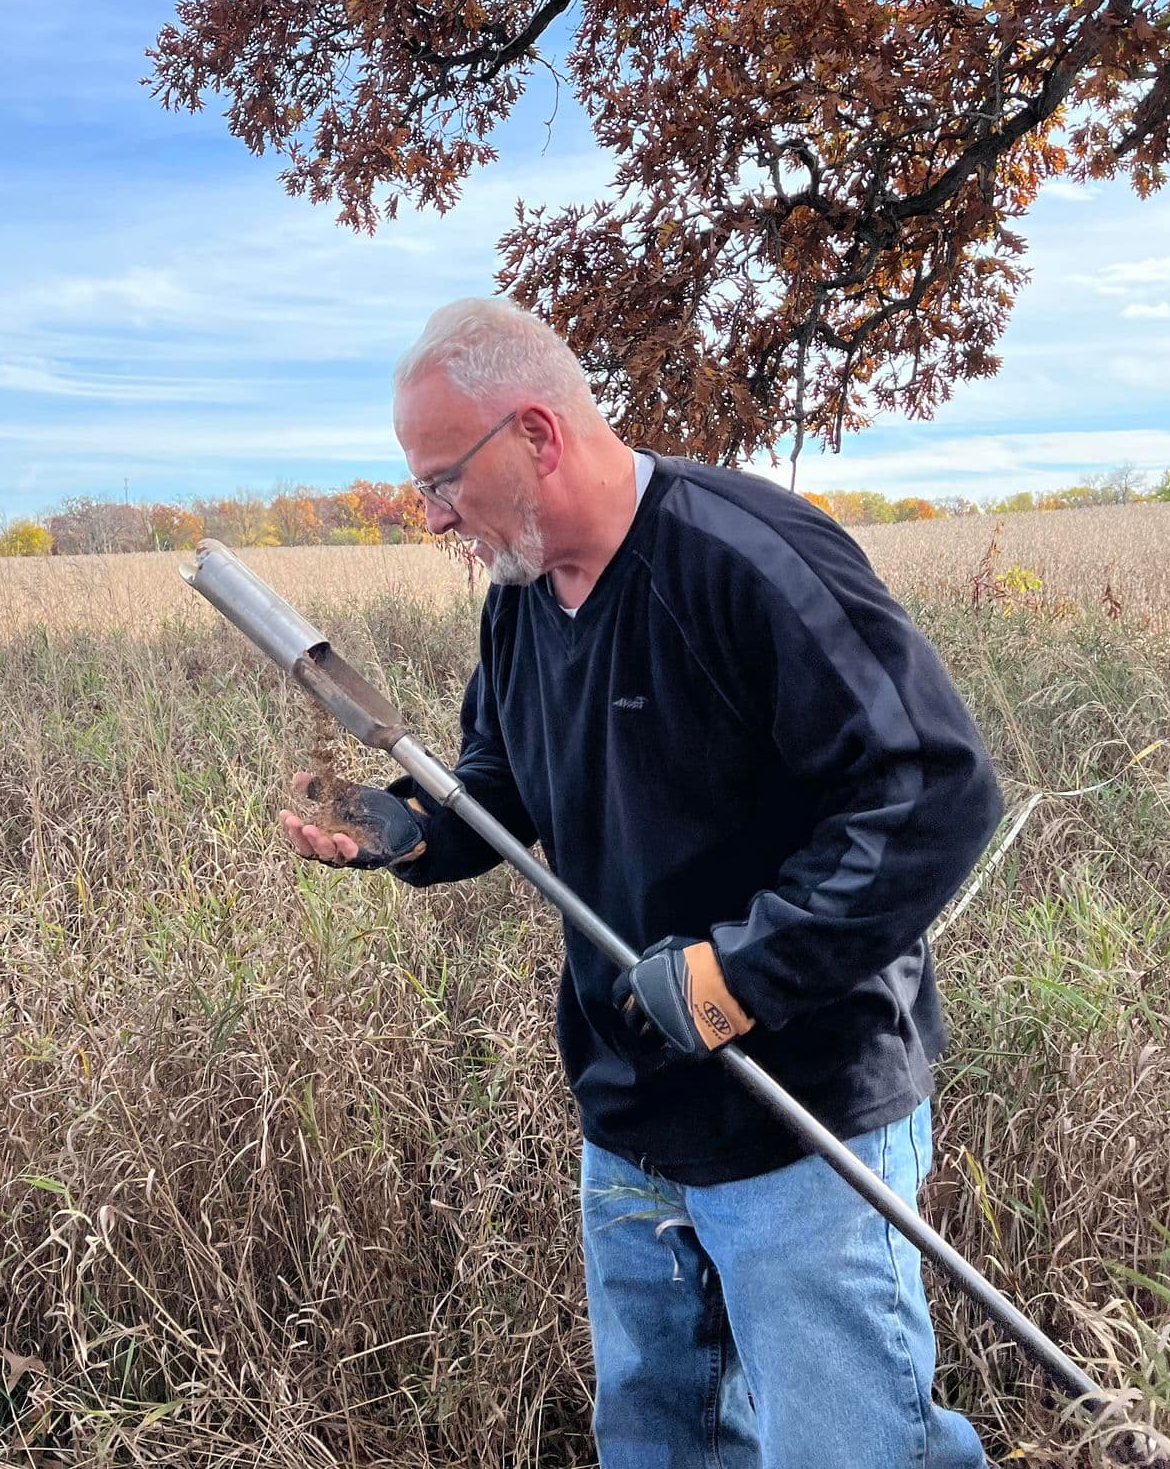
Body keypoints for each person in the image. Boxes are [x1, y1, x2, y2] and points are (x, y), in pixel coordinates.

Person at [278, 297, 1003, 1468]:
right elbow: (499, 785)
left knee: (852, 1450)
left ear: (536, 433)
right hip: (629, 1118)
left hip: (798, 1115)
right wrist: (405, 831)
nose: (432, 514)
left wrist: (741, 974)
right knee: (661, 1442)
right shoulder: (519, 605)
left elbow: (932, 792)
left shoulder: (745, 557)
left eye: (443, 480)